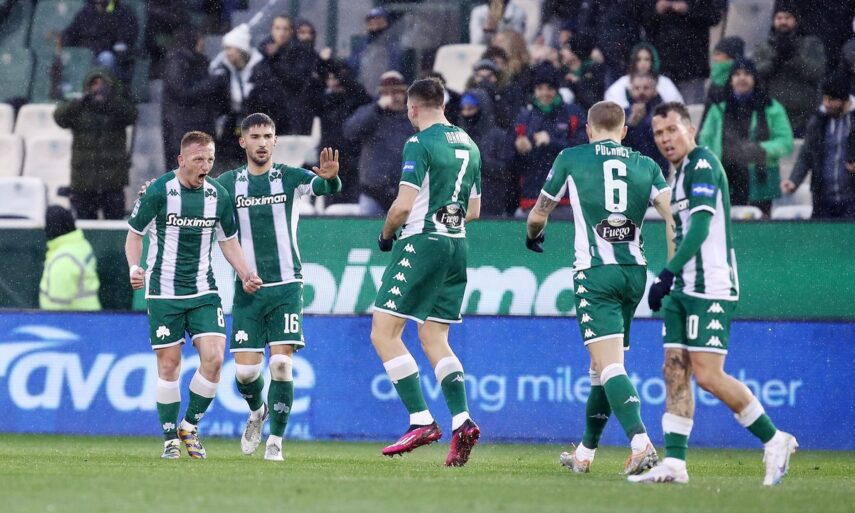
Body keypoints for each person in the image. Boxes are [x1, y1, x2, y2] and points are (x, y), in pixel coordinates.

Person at [629, 102, 798, 485]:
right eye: (658, 133)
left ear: (689, 129)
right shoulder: (677, 176)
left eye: (672, 130)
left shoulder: (702, 164)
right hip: (684, 286)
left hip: (711, 286)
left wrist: (667, 274)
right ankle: (675, 464)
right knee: (674, 370)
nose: (665, 139)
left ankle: (775, 439)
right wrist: (672, 278)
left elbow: (701, 229)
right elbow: (679, 232)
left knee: (707, 375)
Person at [525, 100, 671, 477]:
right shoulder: (647, 165)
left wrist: (533, 234)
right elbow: (674, 213)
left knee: (609, 366)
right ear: (624, 131)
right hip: (634, 272)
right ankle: (585, 452)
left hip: (596, 273)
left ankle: (641, 443)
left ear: (588, 130)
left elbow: (539, 212)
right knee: (601, 367)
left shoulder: (571, 157)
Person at [125, 131, 262, 459]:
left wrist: (245, 273)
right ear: (181, 160)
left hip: (203, 290)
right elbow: (134, 234)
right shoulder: (159, 191)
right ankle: (169, 439)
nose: (205, 165)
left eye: (210, 159)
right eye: (199, 159)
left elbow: (228, 240)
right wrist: (134, 267)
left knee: (214, 358)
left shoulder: (217, 195)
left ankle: (189, 426)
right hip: (164, 293)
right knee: (169, 364)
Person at [216, 113, 342, 461]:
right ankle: (257, 411)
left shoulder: (289, 177)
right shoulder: (228, 183)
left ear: (275, 141)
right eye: (254, 136)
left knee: (281, 366)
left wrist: (332, 179)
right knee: (245, 373)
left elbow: (325, 187)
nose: (261, 142)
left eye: (267, 136)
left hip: (286, 286)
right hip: (248, 289)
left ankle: (276, 441)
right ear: (243, 141)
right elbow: (198, 198)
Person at [371, 78, 482, 466]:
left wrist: (386, 234)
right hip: (457, 244)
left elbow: (402, 206)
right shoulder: (469, 144)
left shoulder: (419, 143)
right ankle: (462, 420)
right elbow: (474, 210)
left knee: (384, 332)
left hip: (422, 241)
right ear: (444, 104)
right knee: (434, 336)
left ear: (412, 108)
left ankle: (420, 420)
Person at [698, 58, 794, 215]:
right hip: (725, 180)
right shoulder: (718, 109)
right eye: (737, 74)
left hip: (762, 182)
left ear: (755, 78)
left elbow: (786, 142)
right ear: (731, 80)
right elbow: (704, 142)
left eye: (747, 74)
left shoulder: (772, 108)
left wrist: (760, 149)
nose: (742, 78)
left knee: (760, 228)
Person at [54, 67, 138, 219]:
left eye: (103, 84)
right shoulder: (79, 108)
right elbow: (59, 118)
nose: (98, 88)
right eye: (94, 84)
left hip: (113, 181)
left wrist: (111, 99)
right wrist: (80, 101)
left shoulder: (117, 107)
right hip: (83, 181)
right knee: (85, 224)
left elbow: (132, 115)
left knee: (114, 224)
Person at [515, 64, 587, 216]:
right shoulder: (524, 116)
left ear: (556, 89)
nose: (545, 93)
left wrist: (552, 142)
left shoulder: (572, 113)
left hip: (565, 199)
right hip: (532, 198)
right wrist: (518, 147)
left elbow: (583, 149)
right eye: (540, 88)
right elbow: (510, 158)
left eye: (549, 88)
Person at [781, 73, 855, 219]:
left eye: (831, 100)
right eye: (824, 99)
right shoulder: (818, 120)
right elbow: (806, 153)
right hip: (823, 199)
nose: (826, 104)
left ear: (844, 100)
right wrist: (794, 180)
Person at [344, 71, 413, 215]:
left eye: (397, 92)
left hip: (407, 192)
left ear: (405, 93)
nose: (393, 97)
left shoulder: (413, 117)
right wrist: (376, 108)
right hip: (373, 192)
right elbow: (350, 131)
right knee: (368, 228)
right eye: (387, 93)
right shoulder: (371, 113)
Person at [753, 0, 826, 136]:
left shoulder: (811, 44)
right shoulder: (764, 46)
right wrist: (775, 60)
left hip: (803, 116)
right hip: (772, 114)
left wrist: (794, 58)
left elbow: (817, 72)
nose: (783, 22)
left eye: (787, 18)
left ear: (796, 21)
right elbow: (755, 73)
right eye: (779, 18)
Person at [161, 29, 226, 167]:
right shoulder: (177, 61)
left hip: (198, 127)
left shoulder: (199, 61)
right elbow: (181, 91)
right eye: (200, 39)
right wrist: (211, 83)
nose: (203, 43)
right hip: (181, 129)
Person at [642, 0, 725, 104]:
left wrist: (689, 10)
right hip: (662, 66)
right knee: (662, 109)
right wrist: (656, 10)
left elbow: (715, 16)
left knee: (692, 109)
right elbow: (642, 20)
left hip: (693, 65)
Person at [209, 23, 264, 172]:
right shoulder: (224, 70)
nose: (226, 53)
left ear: (240, 49)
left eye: (229, 48)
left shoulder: (260, 69)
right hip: (233, 123)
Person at [61, 0, 139, 84]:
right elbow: (71, 33)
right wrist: (63, 41)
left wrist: (112, 48)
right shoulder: (85, 12)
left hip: (107, 56)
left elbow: (124, 40)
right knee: (67, 59)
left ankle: (103, 89)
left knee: (107, 58)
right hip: (85, 56)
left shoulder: (122, 12)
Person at [39, 206, 101, 311]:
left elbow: (57, 307)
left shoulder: (63, 260)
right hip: (90, 314)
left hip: (73, 319)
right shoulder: (81, 244)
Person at [603, 43, 683, 110]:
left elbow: (678, 108)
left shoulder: (664, 82)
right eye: (639, 59)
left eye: (647, 59)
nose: (643, 63)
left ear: (653, 61)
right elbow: (611, 109)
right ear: (634, 62)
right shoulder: (623, 83)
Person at [348, 7, 405, 95]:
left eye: (379, 21)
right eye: (371, 21)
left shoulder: (394, 45)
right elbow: (352, 67)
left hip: (386, 93)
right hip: (362, 94)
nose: (375, 25)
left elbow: (395, 71)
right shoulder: (362, 45)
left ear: (387, 23)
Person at [623, 72, 669, 173]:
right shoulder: (623, 114)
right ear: (631, 91)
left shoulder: (664, 113)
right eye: (637, 88)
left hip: (657, 171)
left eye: (646, 88)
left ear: (654, 90)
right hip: (629, 172)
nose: (641, 92)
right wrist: (630, 124)